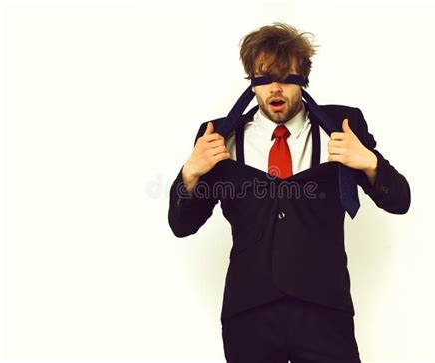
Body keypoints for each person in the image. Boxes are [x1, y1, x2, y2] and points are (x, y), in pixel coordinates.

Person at [168, 22, 410, 363]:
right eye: (263, 78)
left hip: (324, 311)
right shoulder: (219, 137)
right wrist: (189, 173)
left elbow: (400, 200)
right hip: (248, 315)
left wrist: (369, 163)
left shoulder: (342, 127)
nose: (275, 88)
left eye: (285, 76)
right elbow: (182, 224)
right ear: (252, 82)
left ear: (304, 78)